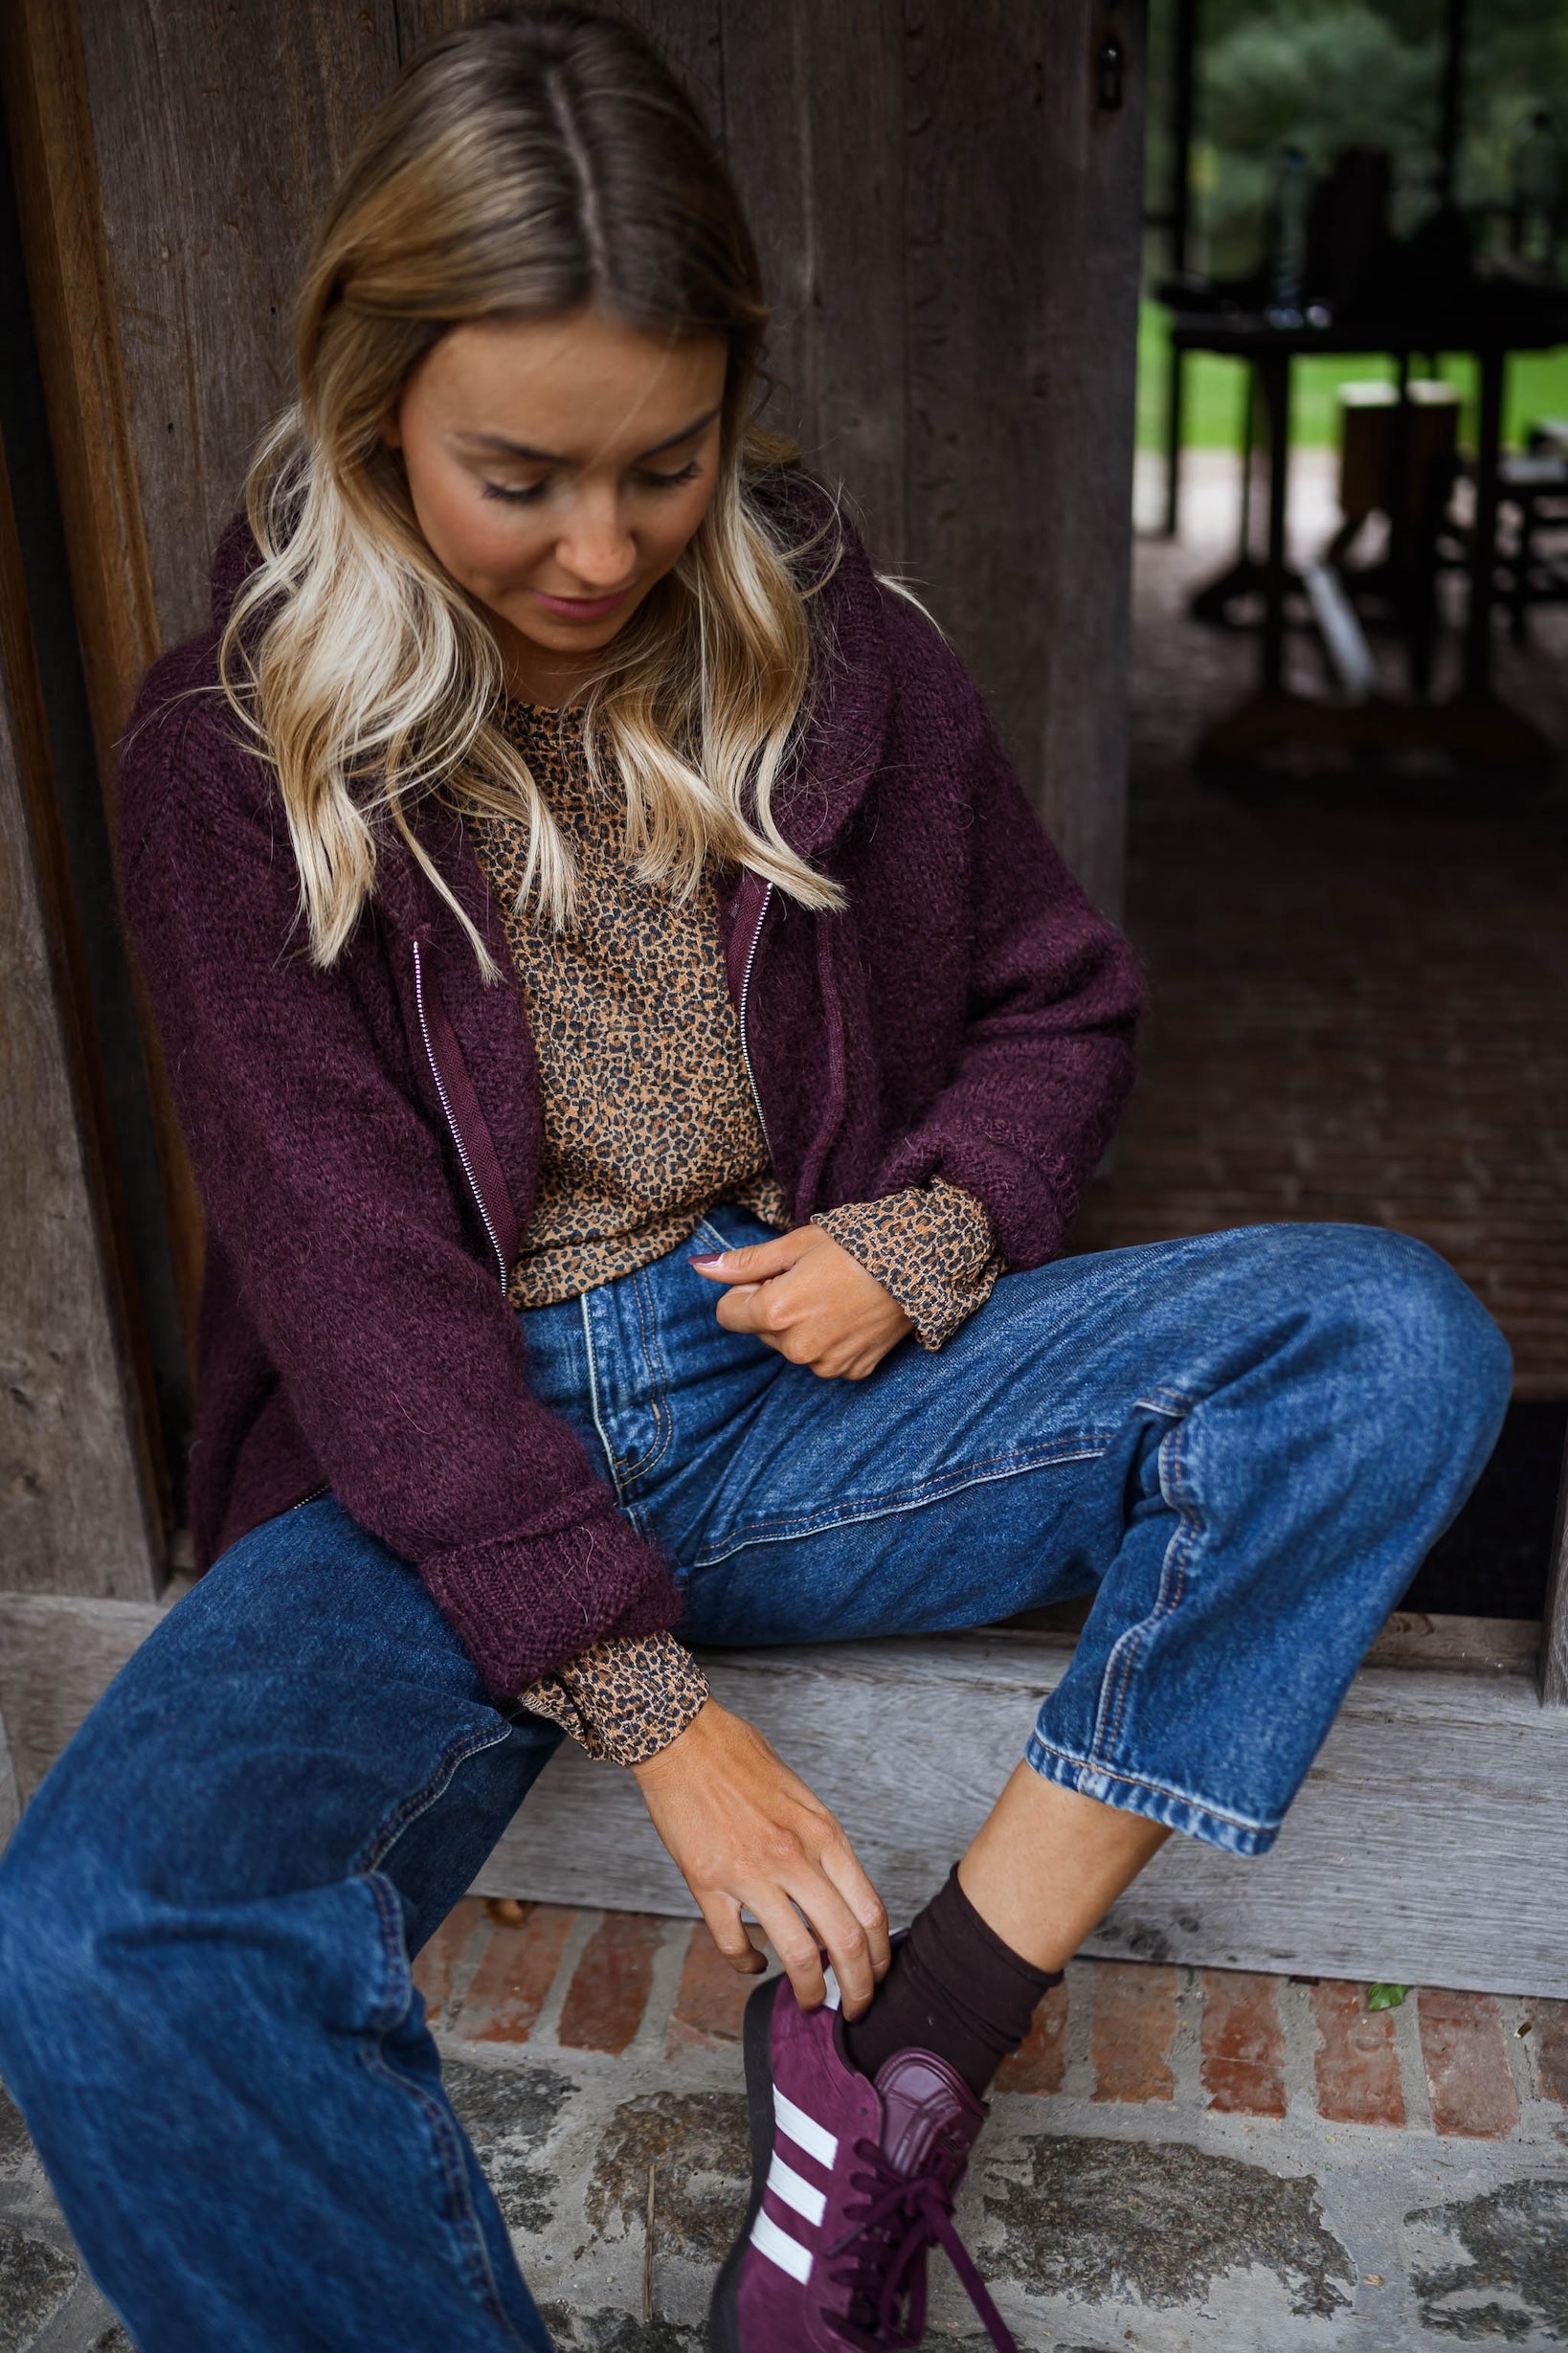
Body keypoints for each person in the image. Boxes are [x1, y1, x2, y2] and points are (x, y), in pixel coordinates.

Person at [0, 11, 1512, 2351]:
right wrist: (651, 1711)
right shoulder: (235, 748)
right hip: (425, 1472)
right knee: (106, 1924)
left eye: (667, 464)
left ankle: (906, 2050)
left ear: (732, 401)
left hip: (795, 1405)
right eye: (521, 476)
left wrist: (932, 1235)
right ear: (375, 394)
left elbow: (1060, 1002)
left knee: (1393, 1339)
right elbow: (349, 1269)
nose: (600, 547)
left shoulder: (846, 656)